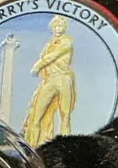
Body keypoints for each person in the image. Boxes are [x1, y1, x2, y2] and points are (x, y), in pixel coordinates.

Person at [21, 15, 77, 146]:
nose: (58, 29)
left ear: (64, 28)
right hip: (50, 80)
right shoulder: (48, 45)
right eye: (56, 26)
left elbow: (52, 56)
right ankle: (33, 146)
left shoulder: (67, 42)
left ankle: (66, 147)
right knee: (36, 116)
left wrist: (37, 67)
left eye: (61, 26)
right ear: (52, 27)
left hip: (64, 80)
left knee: (65, 116)